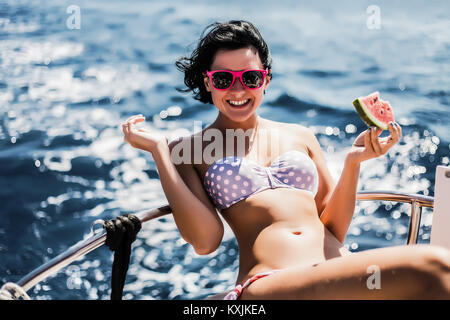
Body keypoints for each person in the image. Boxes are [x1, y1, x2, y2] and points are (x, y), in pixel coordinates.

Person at [121, 20, 450, 299]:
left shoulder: (301, 135)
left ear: (265, 79)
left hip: (331, 272)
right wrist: (160, 152)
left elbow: (332, 229)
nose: (238, 90)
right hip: (267, 284)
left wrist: (353, 162)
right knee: (435, 266)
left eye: (250, 78)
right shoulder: (189, 150)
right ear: (209, 82)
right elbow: (206, 241)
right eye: (224, 79)